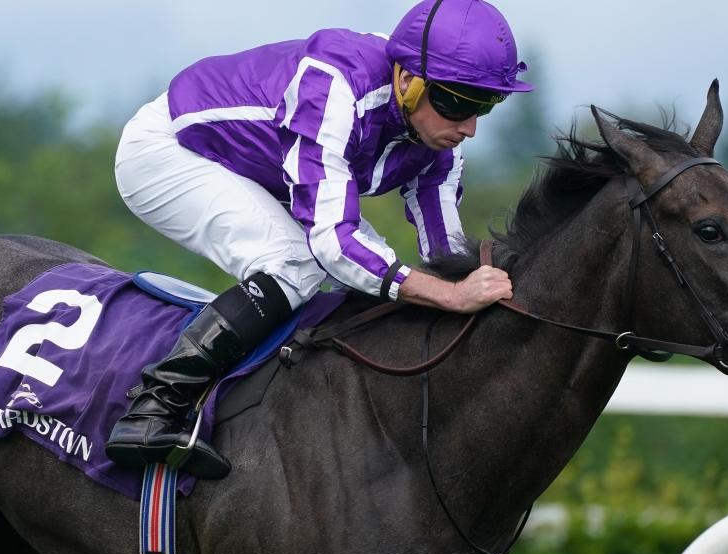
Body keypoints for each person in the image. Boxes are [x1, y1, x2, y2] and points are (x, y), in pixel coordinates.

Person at [106, 0, 532, 475]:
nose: (469, 127)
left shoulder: (438, 140)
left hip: (264, 171)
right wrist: (449, 295)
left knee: (369, 272)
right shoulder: (337, 85)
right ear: (408, 81)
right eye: (459, 102)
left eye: (484, 106)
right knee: (299, 263)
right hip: (171, 150)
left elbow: (444, 254)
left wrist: (473, 291)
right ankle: (154, 409)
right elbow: (334, 243)